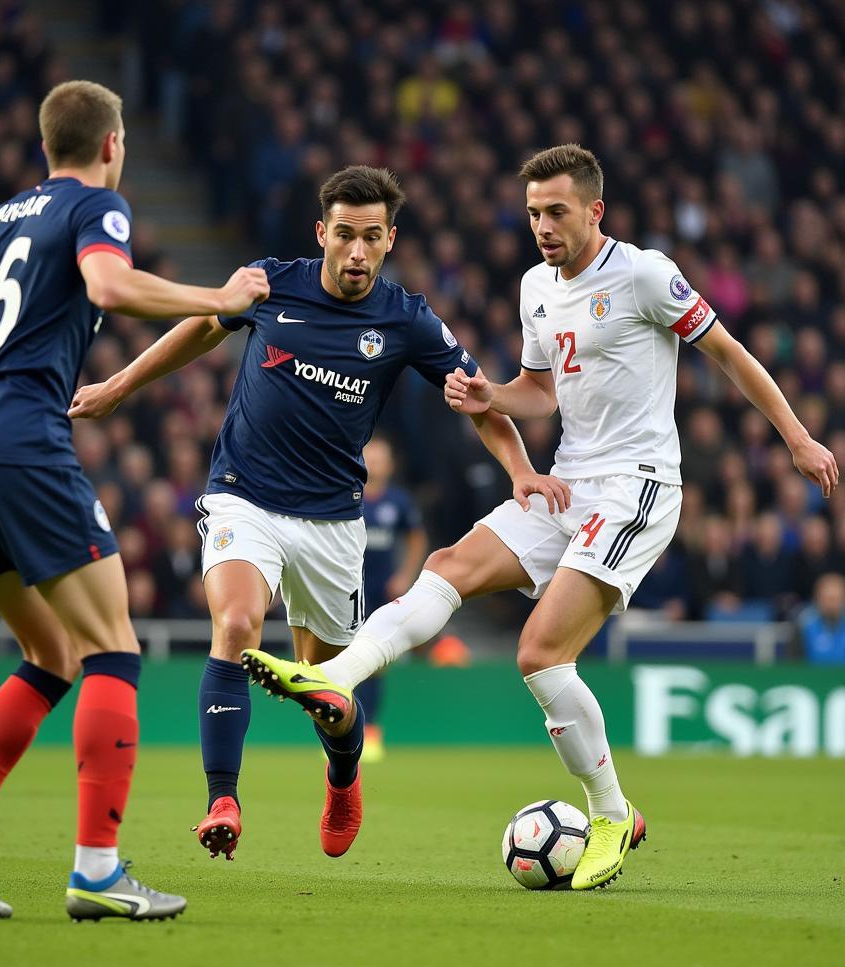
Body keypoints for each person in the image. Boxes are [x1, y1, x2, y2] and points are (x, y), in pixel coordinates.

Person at [243, 144, 839, 891]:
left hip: (638, 487)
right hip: (567, 482)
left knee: (539, 653)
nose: (542, 227)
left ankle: (613, 813)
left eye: (556, 212)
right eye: (532, 213)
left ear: (594, 210)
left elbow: (730, 353)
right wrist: (490, 396)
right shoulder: (534, 286)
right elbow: (539, 393)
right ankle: (335, 677)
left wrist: (797, 437)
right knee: (447, 568)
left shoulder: (645, 274)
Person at [69, 164, 569, 862]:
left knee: (329, 694)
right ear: (321, 233)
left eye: (371, 237)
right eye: (344, 236)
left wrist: (520, 472)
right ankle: (223, 798)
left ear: (390, 238)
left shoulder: (406, 317)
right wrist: (120, 385)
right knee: (237, 622)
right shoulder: (272, 284)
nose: (357, 252)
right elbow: (201, 330)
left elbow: (475, 394)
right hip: (244, 495)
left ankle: (342, 775)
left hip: (334, 524)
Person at [0, 79, 269, 921]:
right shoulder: (96, 207)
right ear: (113, 146)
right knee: (112, 649)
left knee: (50, 653)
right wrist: (219, 300)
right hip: (20, 442)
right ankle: (96, 872)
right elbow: (110, 289)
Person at [356, 435, 427, 762]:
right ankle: (339, 731)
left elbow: (416, 538)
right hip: (348, 591)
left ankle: (370, 730)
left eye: (381, 458)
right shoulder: (348, 496)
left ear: (391, 465)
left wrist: (405, 576)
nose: (375, 464)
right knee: (343, 657)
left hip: (382, 593)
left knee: (375, 663)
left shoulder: (397, 501)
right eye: (371, 457)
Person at [797, 572, 845, 663]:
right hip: (812, 676)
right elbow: (794, 663)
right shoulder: (804, 625)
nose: (831, 604)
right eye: (827, 598)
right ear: (817, 599)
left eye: (836, 599)